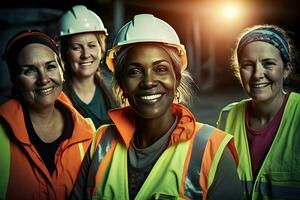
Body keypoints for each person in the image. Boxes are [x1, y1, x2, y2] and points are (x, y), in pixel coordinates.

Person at [71, 14, 244, 200]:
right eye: (134, 71)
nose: (148, 82)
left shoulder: (212, 150)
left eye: (160, 69)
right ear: (121, 84)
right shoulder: (100, 143)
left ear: (176, 79)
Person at [0, 30, 94, 200]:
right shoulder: (1, 132)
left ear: (62, 70)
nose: (43, 79)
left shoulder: (88, 135)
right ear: (15, 79)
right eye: (29, 71)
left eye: (50, 66)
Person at [217, 24, 300, 199]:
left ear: (286, 69)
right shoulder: (227, 117)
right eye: (248, 65)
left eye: (268, 63)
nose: (257, 74)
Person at [57, 5, 118, 130]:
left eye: (91, 46)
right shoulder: (57, 98)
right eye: (76, 48)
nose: (85, 55)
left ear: (101, 49)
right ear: (64, 53)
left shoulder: (115, 90)